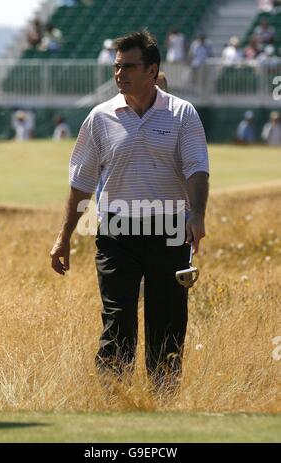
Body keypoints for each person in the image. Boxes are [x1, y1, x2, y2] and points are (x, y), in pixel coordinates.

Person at [50, 30, 209, 391]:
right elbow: (81, 183)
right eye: (117, 67)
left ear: (152, 70)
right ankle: (114, 400)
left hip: (169, 230)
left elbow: (197, 168)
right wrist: (63, 237)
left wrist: (197, 215)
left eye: (129, 67)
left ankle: (163, 398)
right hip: (115, 232)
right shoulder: (99, 118)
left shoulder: (183, 114)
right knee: (117, 318)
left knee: (166, 320)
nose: (120, 74)